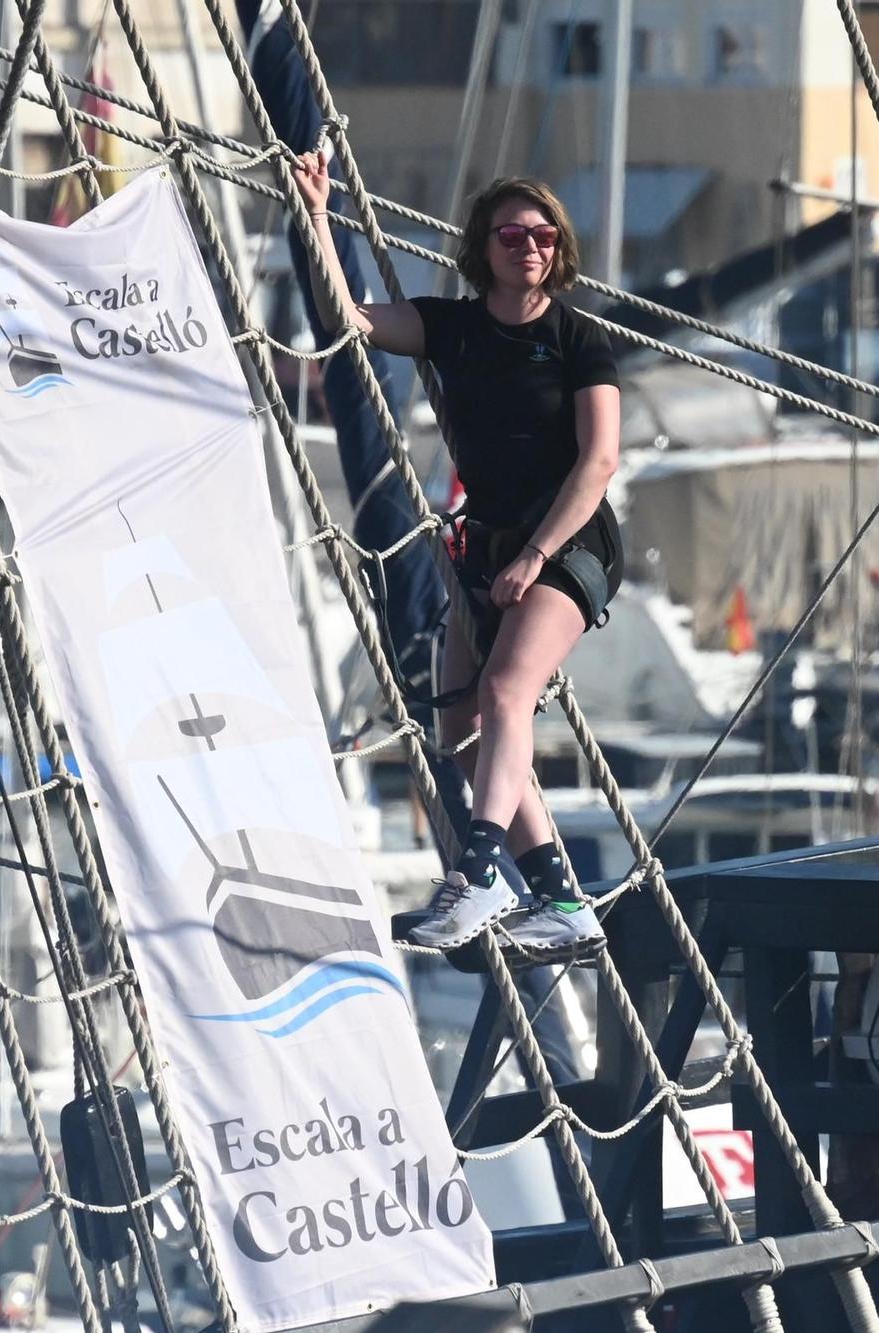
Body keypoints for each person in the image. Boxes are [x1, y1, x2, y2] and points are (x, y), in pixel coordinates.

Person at [293, 154, 622, 960]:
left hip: (569, 542)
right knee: (461, 728)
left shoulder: (579, 339)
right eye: (512, 234)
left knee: (509, 689)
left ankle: (478, 874)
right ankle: (563, 899)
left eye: (543, 234)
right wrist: (317, 217)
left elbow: (599, 461)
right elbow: (352, 321)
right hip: (488, 546)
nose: (530, 246)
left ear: (559, 246)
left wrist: (536, 555)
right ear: (485, 246)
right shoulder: (455, 327)